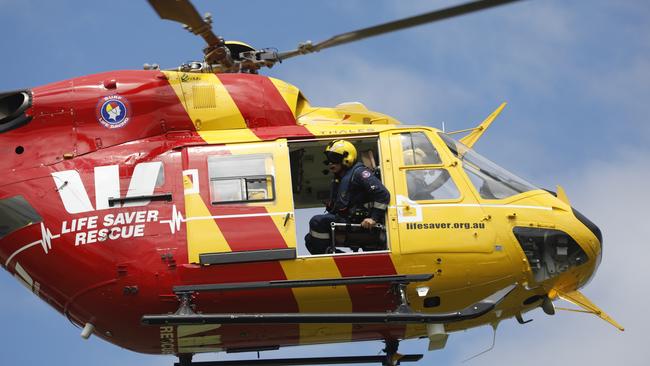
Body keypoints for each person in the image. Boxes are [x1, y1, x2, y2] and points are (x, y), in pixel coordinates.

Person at [305, 140, 390, 254]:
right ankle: (336, 256)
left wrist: (373, 218)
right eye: (328, 159)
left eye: (334, 158)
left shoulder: (360, 173)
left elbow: (383, 194)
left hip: (357, 221)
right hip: (346, 218)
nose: (330, 163)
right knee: (309, 240)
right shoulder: (340, 178)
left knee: (316, 222)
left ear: (347, 158)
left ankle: (332, 257)